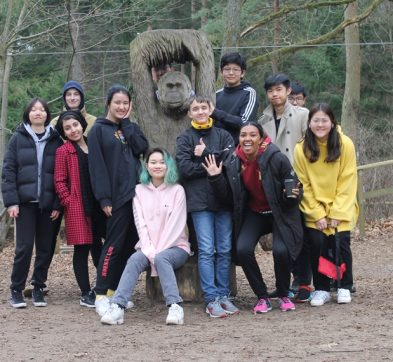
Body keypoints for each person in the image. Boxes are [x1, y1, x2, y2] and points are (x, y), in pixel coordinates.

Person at [204, 122, 303, 314]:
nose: (247, 139)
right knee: (242, 249)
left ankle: (283, 293)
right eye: (243, 135)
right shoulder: (234, 161)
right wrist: (216, 178)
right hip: (254, 212)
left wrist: (291, 195)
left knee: (281, 251)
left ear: (261, 138)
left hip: (279, 211)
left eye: (252, 135)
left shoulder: (276, 158)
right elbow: (229, 197)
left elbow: (296, 187)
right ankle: (262, 296)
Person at [100, 148, 191, 325]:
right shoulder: (139, 191)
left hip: (175, 247)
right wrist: (149, 251)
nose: (158, 166)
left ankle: (175, 306)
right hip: (147, 246)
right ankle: (118, 306)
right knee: (134, 260)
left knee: (163, 258)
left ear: (169, 165)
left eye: (162, 162)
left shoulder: (177, 190)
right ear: (146, 166)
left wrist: (156, 255)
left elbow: (175, 226)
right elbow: (140, 224)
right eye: (153, 162)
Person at [88, 85, 148, 317]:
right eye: (117, 103)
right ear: (108, 103)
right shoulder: (98, 131)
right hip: (115, 198)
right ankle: (101, 293)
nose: (121, 107)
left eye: (126, 103)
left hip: (138, 197)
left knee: (129, 246)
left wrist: (127, 123)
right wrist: (103, 198)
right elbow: (97, 168)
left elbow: (142, 148)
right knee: (112, 246)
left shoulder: (129, 128)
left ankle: (116, 291)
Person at [176, 95, 239, 318]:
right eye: (196, 108)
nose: (201, 111)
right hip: (199, 203)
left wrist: (203, 155)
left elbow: (229, 161)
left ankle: (223, 295)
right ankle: (211, 298)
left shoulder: (223, 135)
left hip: (223, 201)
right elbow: (184, 169)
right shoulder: (184, 139)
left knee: (224, 250)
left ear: (211, 109)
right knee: (205, 251)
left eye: (204, 107)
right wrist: (211, 164)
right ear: (189, 113)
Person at [293, 103, 358, 307]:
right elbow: (303, 184)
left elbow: (347, 180)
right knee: (317, 245)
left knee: (341, 245)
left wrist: (337, 211)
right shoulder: (301, 148)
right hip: (315, 206)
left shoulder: (345, 144)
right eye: (316, 120)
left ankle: (344, 285)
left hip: (342, 204)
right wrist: (317, 214)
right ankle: (321, 288)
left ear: (332, 122)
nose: (320, 124)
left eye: (324, 120)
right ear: (309, 123)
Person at [2, 98, 63, 308]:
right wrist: (11, 202)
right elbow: (8, 171)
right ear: (28, 114)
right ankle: (16, 289)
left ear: (47, 115)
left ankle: (38, 287)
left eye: (42, 110)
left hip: (48, 204)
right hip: (25, 203)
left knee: (45, 248)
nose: (38, 112)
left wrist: (57, 203)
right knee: (24, 247)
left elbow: (61, 174)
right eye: (34, 110)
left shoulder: (55, 139)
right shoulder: (18, 138)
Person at [54, 110, 105, 308]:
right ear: (63, 132)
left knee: (100, 246)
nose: (73, 130)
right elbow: (59, 181)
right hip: (78, 206)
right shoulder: (63, 151)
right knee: (82, 249)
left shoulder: (93, 144)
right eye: (67, 128)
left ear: (82, 124)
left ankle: (103, 287)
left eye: (75, 125)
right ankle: (85, 292)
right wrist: (68, 201)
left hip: (99, 204)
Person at [258, 73, 308, 164]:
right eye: (270, 91)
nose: (274, 94)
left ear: (288, 91)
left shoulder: (303, 114)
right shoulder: (263, 121)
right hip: (272, 171)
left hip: (296, 171)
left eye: (279, 89)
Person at [211, 52, 259, 144]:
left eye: (236, 69)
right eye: (227, 69)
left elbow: (245, 123)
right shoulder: (216, 95)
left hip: (240, 150)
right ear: (221, 72)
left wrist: (216, 113)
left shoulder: (249, 93)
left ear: (242, 73)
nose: (231, 73)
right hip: (216, 149)